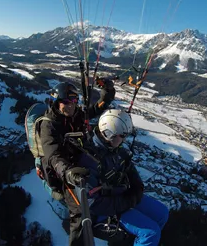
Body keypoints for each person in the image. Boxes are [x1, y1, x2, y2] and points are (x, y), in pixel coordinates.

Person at [65, 109, 169, 246]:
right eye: (122, 136)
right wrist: (128, 201)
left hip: (119, 196)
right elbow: (92, 204)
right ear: (109, 134)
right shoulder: (89, 161)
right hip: (104, 210)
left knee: (162, 213)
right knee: (150, 232)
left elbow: (126, 164)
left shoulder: (112, 147)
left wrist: (137, 186)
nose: (124, 140)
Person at [39, 80, 115, 245]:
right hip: (64, 173)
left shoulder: (76, 115)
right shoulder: (49, 125)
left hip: (80, 162)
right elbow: (53, 156)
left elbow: (95, 109)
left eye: (74, 101)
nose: (71, 105)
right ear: (56, 102)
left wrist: (107, 94)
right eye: (66, 102)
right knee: (80, 212)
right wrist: (68, 172)